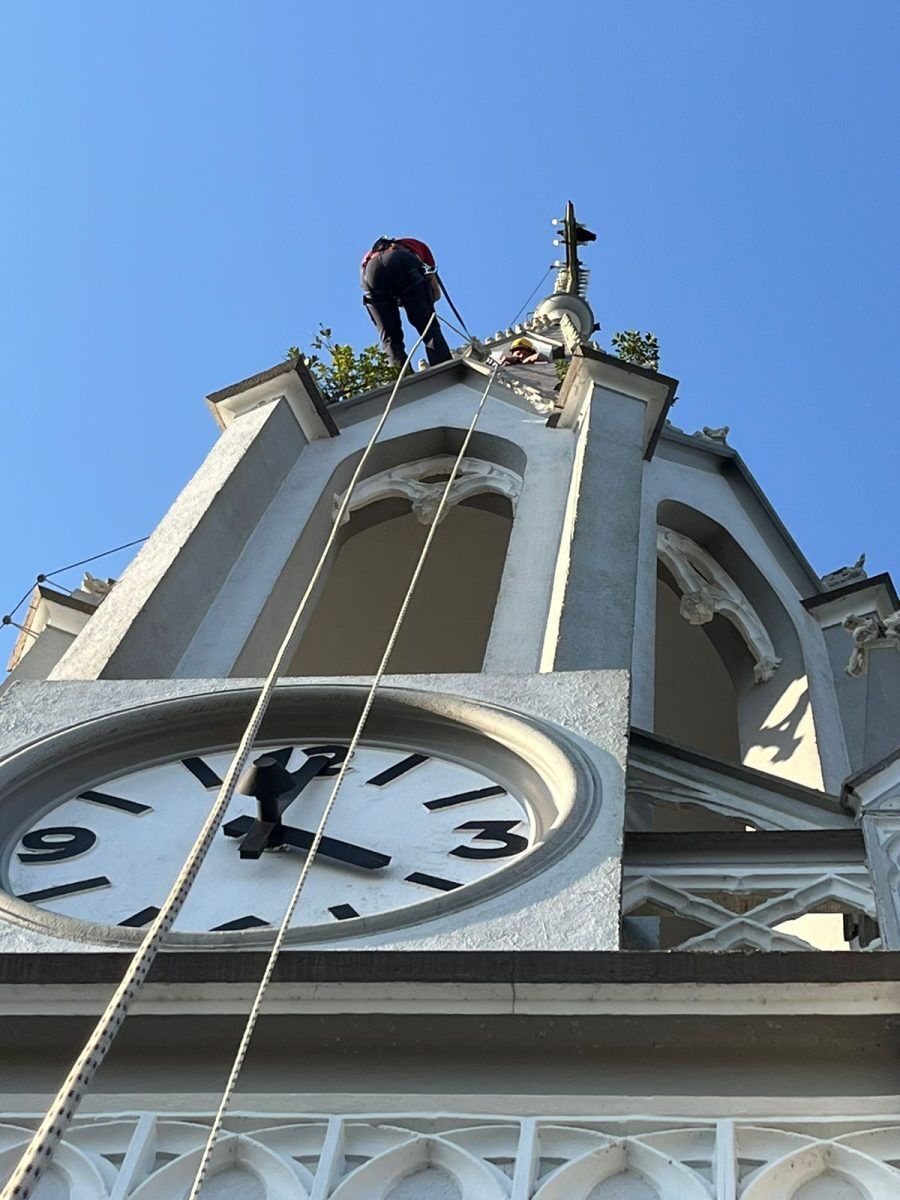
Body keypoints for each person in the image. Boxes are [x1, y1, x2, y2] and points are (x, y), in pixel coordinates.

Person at [360, 237, 453, 369]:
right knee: (427, 324)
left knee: (390, 338)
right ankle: (444, 369)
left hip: (370, 273)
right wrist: (419, 303)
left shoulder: (370, 254)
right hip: (401, 260)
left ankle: (399, 375)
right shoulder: (419, 247)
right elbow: (435, 292)